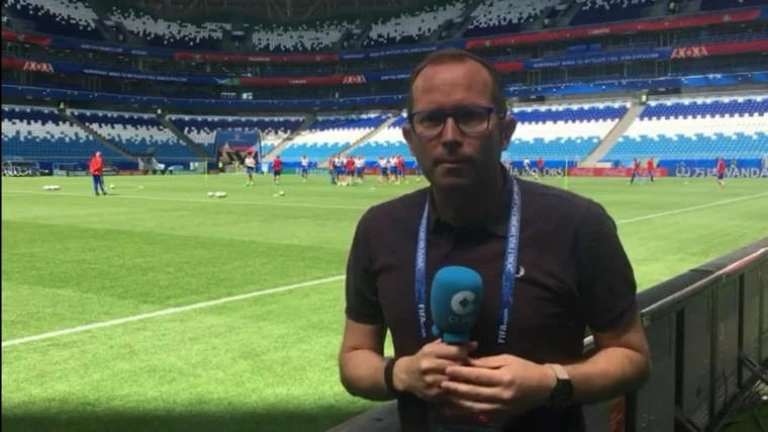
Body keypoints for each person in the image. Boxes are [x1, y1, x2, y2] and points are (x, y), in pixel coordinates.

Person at [338, 48, 650, 432]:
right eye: (431, 120)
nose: (450, 137)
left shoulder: (579, 224)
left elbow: (631, 357)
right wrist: (399, 373)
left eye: (470, 117)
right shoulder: (380, 228)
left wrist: (550, 383)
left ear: (505, 131)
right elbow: (354, 357)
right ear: (410, 137)